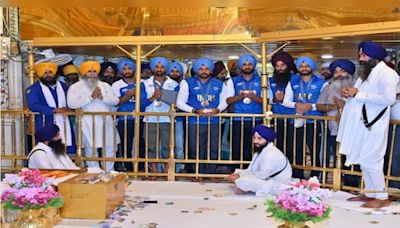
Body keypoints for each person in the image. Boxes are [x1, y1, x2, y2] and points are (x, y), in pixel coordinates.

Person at [337, 41, 398, 208]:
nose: (360, 58)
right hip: (362, 125)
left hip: (374, 125)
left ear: (374, 58)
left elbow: (388, 99)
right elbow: (357, 94)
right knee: (364, 160)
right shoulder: (366, 74)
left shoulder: (388, 74)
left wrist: (359, 94)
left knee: (372, 160)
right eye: (360, 55)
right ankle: (370, 193)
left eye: (363, 55)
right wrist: (348, 93)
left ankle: (382, 196)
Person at [177, 58, 229, 174]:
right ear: (196, 70)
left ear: (211, 70)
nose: (204, 71)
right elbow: (179, 103)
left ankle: (210, 173)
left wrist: (218, 109)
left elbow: (225, 100)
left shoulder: (220, 83)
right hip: (194, 121)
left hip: (214, 120)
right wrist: (194, 110)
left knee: (213, 149)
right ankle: (197, 173)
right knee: (195, 149)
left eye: (206, 69)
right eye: (201, 69)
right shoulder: (187, 82)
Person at [67, 61, 120, 171]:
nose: (92, 74)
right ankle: (94, 171)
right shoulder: (75, 87)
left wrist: (103, 98)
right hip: (87, 121)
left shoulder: (105, 85)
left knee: (110, 146)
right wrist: (90, 98)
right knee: (91, 149)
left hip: (106, 121)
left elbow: (116, 101)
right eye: (89, 71)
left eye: (94, 71)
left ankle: (109, 171)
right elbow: (71, 104)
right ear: (83, 73)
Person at [282, 56, 325, 179]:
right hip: (296, 121)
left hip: (315, 122)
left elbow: (324, 104)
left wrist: (311, 107)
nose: (304, 68)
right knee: (296, 150)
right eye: (301, 66)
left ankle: (316, 177)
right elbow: (285, 101)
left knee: (315, 150)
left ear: (312, 67)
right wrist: (297, 104)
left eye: (307, 66)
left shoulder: (321, 82)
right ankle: (297, 176)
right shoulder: (292, 82)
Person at [226, 125, 292, 196]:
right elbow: (251, 170)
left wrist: (240, 177)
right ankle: (243, 187)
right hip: (267, 179)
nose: (255, 141)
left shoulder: (271, 153)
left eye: (259, 139)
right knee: (237, 174)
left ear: (267, 140)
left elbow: (263, 175)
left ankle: (243, 187)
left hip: (277, 185)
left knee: (242, 181)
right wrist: (239, 174)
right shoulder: (260, 151)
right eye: (254, 138)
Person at [26, 62, 76, 153]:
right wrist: (54, 110)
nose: (48, 75)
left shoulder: (64, 86)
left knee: (66, 149)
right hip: (45, 122)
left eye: (50, 72)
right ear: (40, 74)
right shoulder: (34, 88)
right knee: (48, 149)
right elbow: (33, 106)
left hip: (64, 122)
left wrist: (70, 109)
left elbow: (71, 101)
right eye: (45, 73)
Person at [141, 57, 179, 173]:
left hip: (167, 119)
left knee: (168, 146)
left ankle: (167, 170)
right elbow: (141, 104)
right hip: (150, 119)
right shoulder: (145, 83)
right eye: (157, 67)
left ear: (166, 68)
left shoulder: (173, 84)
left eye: (162, 67)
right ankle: (154, 170)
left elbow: (177, 102)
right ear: (152, 68)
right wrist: (153, 98)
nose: (159, 69)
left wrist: (163, 96)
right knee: (151, 146)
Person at [316, 59, 355, 168]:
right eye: (336, 72)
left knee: (351, 158)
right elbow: (319, 105)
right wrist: (331, 107)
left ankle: (351, 181)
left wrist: (343, 105)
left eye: (342, 71)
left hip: (353, 131)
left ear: (349, 73)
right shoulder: (328, 88)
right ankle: (339, 180)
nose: (339, 74)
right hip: (334, 129)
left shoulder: (356, 88)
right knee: (337, 155)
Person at [226, 54, 262, 170]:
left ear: (254, 66)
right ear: (240, 66)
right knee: (237, 147)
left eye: (250, 64)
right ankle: (236, 171)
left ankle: (254, 171)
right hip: (238, 119)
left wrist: (253, 97)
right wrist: (240, 97)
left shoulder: (262, 81)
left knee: (255, 147)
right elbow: (228, 100)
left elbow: (267, 100)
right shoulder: (233, 81)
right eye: (244, 64)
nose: (247, 66)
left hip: (256, 119)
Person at [112, 59, 139, 172]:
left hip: (141, 117)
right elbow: (115, 102)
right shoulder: (116, 85)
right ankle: (126, 165)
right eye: (124, 69)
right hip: (124, 118)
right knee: (124, 143)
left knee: (140, 143)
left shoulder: (141, 83)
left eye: (129, 68)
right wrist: (128, 96)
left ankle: (140, 165)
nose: (127, 71)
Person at [269, 52, 296, 152]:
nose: (280, 68)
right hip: (277, 118)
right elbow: (267, 99)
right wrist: (275, 99)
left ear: (288, 66)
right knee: (277, 146)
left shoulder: (296, 80)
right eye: (277, 66)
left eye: (282, 65)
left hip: (294, 118)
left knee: (293, 146)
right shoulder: (270, 81)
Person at [168, 61, 185, 172]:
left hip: (178, 120)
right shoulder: (165, 84)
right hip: (164, 119)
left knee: (179, 145)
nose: (174, 73)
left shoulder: (184, 85)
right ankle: (162, 170)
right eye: (172, 71)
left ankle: (178, 169)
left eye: (177, 71)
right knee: (164, 146)